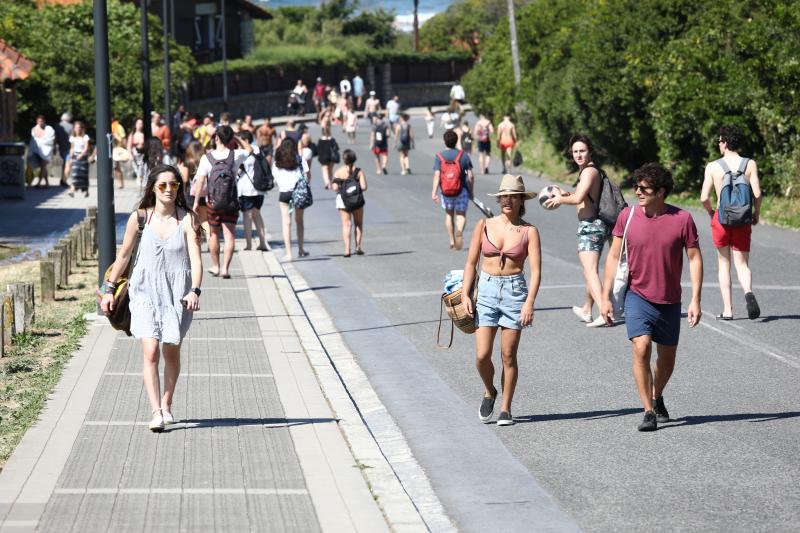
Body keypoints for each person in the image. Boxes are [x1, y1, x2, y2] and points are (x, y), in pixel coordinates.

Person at [599, 163, 703, 432]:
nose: (637, 192)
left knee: (666, 360)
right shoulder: (628, 216)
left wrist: (696, 299)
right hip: (638, 296)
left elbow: (694, 259)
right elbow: (612, 256)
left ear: (661, 192)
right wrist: (605, 295)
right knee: (641, 347)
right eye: (636, 187)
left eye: (644, 188)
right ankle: (648, 411)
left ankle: (657, 395)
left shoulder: (682, 220)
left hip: (670, 301)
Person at [100, 164, 203, 432]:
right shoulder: (140, 218)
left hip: (177, 295)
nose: (169, 190)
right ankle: (156, 411)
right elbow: (123, 256)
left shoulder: (188, 219)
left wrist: (195, 290)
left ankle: (167, 405)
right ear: (153, 188)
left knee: (171, 350)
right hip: (144, 291)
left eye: (174, 185)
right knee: (151, 350)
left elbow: (196, 259)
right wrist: (108, 289)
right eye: (163, 185)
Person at [461, 174, 541, 426]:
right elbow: (471, 262)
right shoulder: (484, 225)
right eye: (503, 196)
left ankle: (506, 408)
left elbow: (537, 271)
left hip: (514, 292)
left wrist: (529, 302)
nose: (507, 200)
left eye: (512, 196)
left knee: (508, 355)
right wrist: (465, 293)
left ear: (520, 200)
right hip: (485, 290)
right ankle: (490, 391)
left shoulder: (529, 231)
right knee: (482, 355)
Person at [544, 135, 609, 328]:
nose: (578, 155)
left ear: (590, 151)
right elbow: (583, 197)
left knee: (590, 271)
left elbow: (579, 197)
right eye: (575, 151)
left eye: (582, 151)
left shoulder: (589, 172)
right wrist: (566, 194)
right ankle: (587, 309)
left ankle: (604, 311)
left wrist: (560, 199)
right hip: (592, 225)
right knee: (590, 270)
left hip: (590, 225)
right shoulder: (587, 172)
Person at [701, 125, 762, 320]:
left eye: (719, 141)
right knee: (742, 264)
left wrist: (711, 212)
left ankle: (728, 310)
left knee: (723, 263)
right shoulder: (749, 164)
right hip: (743, 219)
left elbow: (704, 197)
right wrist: (756, 213)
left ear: (725, 143)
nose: (719, 144)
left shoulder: (713, 166)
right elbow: (758, 194)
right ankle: (748, 292)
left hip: (721, 219)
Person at [192, 125, 252, 278]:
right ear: (230, 139)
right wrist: (237, 138)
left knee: (213, 235)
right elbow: (250, 149)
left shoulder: (207, 158)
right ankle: (226, 268)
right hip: (231, 202)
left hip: (213, 202)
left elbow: (199, 182)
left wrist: (196, 202)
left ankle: (215, 266)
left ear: (216, 138)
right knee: (229, 236)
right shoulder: (236, 155)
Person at [431, 129, 474, 250]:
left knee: (449, 214)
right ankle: (459, 231)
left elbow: (437, 175)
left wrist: (434, 193)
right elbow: (470, 175)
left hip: (446, 192)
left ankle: (451, 240)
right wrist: (471, 190)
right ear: (456, 141)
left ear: (445, 142)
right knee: (461, 215)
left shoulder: (439, 156)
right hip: (461, 190)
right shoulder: (463, 155)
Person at [273, 138, 310, 261]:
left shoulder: (277, 161)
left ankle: (289, 253)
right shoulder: (299, 159)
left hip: (285, 195)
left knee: (286, 222)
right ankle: (300, 249)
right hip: (298, 194)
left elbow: (275, 178)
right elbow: (306, 175)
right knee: (299, 221)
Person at [236, 130, 268, 251]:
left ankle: (249, 244)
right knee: (257, 215)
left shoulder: (244, 153)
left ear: (245, 141)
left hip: (246, 189)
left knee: (247, 216)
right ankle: (262, 243)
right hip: (259, 189)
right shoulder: (258, 150)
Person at [332, 149, 368, 257]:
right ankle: (358, 247)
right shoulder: (359, 171)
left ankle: (347, 249)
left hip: (343, 201)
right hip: (357, 200)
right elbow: (364, 187)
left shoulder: (338, 172)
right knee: (358, 223)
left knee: (346, 225)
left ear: (344, 160)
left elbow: (334, 188)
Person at [180, 140, 209, 238]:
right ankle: (210, 240)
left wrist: (180, 170)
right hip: (203, 193)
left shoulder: (187, 162)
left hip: (190, 195)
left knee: (192, 219)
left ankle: (195, 240)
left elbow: (184, 178)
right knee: (204, 219)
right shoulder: (205, 160)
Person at [28, 115, 56, 187]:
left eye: (41, 121)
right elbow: (33, 140)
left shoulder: (49, 129)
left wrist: (54, 148)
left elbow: (51, 139)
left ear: (44, 121)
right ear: (37, 121)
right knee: (43, 167)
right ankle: (47, 183)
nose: (40, 122)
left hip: (47, 150)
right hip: (37, 150)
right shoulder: (34, 129)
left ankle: (39, 183)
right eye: (39, 121)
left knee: (43, 166)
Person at [67, 121, 91, 197]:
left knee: (83, 175)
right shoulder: (72, 138)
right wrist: (70, 157)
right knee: (75, 174)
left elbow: (86, 147)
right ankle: (72, 189)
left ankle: (85, 190)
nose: (78, 129)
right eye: (76, 127)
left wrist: (81, 154)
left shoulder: (85, 137)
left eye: (79, 127)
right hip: (75, 157)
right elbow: (72, 148)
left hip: (83, 157)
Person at [127, 119, 147, 189]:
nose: (140, 125)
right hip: (135, 154)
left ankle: (142, 184)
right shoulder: (132, 135)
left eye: (141, 123)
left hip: (143, 154)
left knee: (143, 169)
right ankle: (140, 183)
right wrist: (130, 154)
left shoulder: (145, 134)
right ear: (135, 125)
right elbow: (129, 146)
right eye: (138, 123)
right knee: (138, 170)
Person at [56, 112, 72, 186]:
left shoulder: (57, 126)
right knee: (68, 164)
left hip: (61, 147)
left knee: (65, 164)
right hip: (69, 148)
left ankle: (62, 179)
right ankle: (64, 180)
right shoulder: (71, 126)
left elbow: (55, 138)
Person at [111, 118, 127, 189]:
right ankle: (119, 183)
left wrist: (122, 148)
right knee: (115, 167)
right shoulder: (111, 126)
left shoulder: (118, 127)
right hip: (112, 148)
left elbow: (123, 138)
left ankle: (120, 183)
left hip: (117, 148)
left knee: (117, 166)